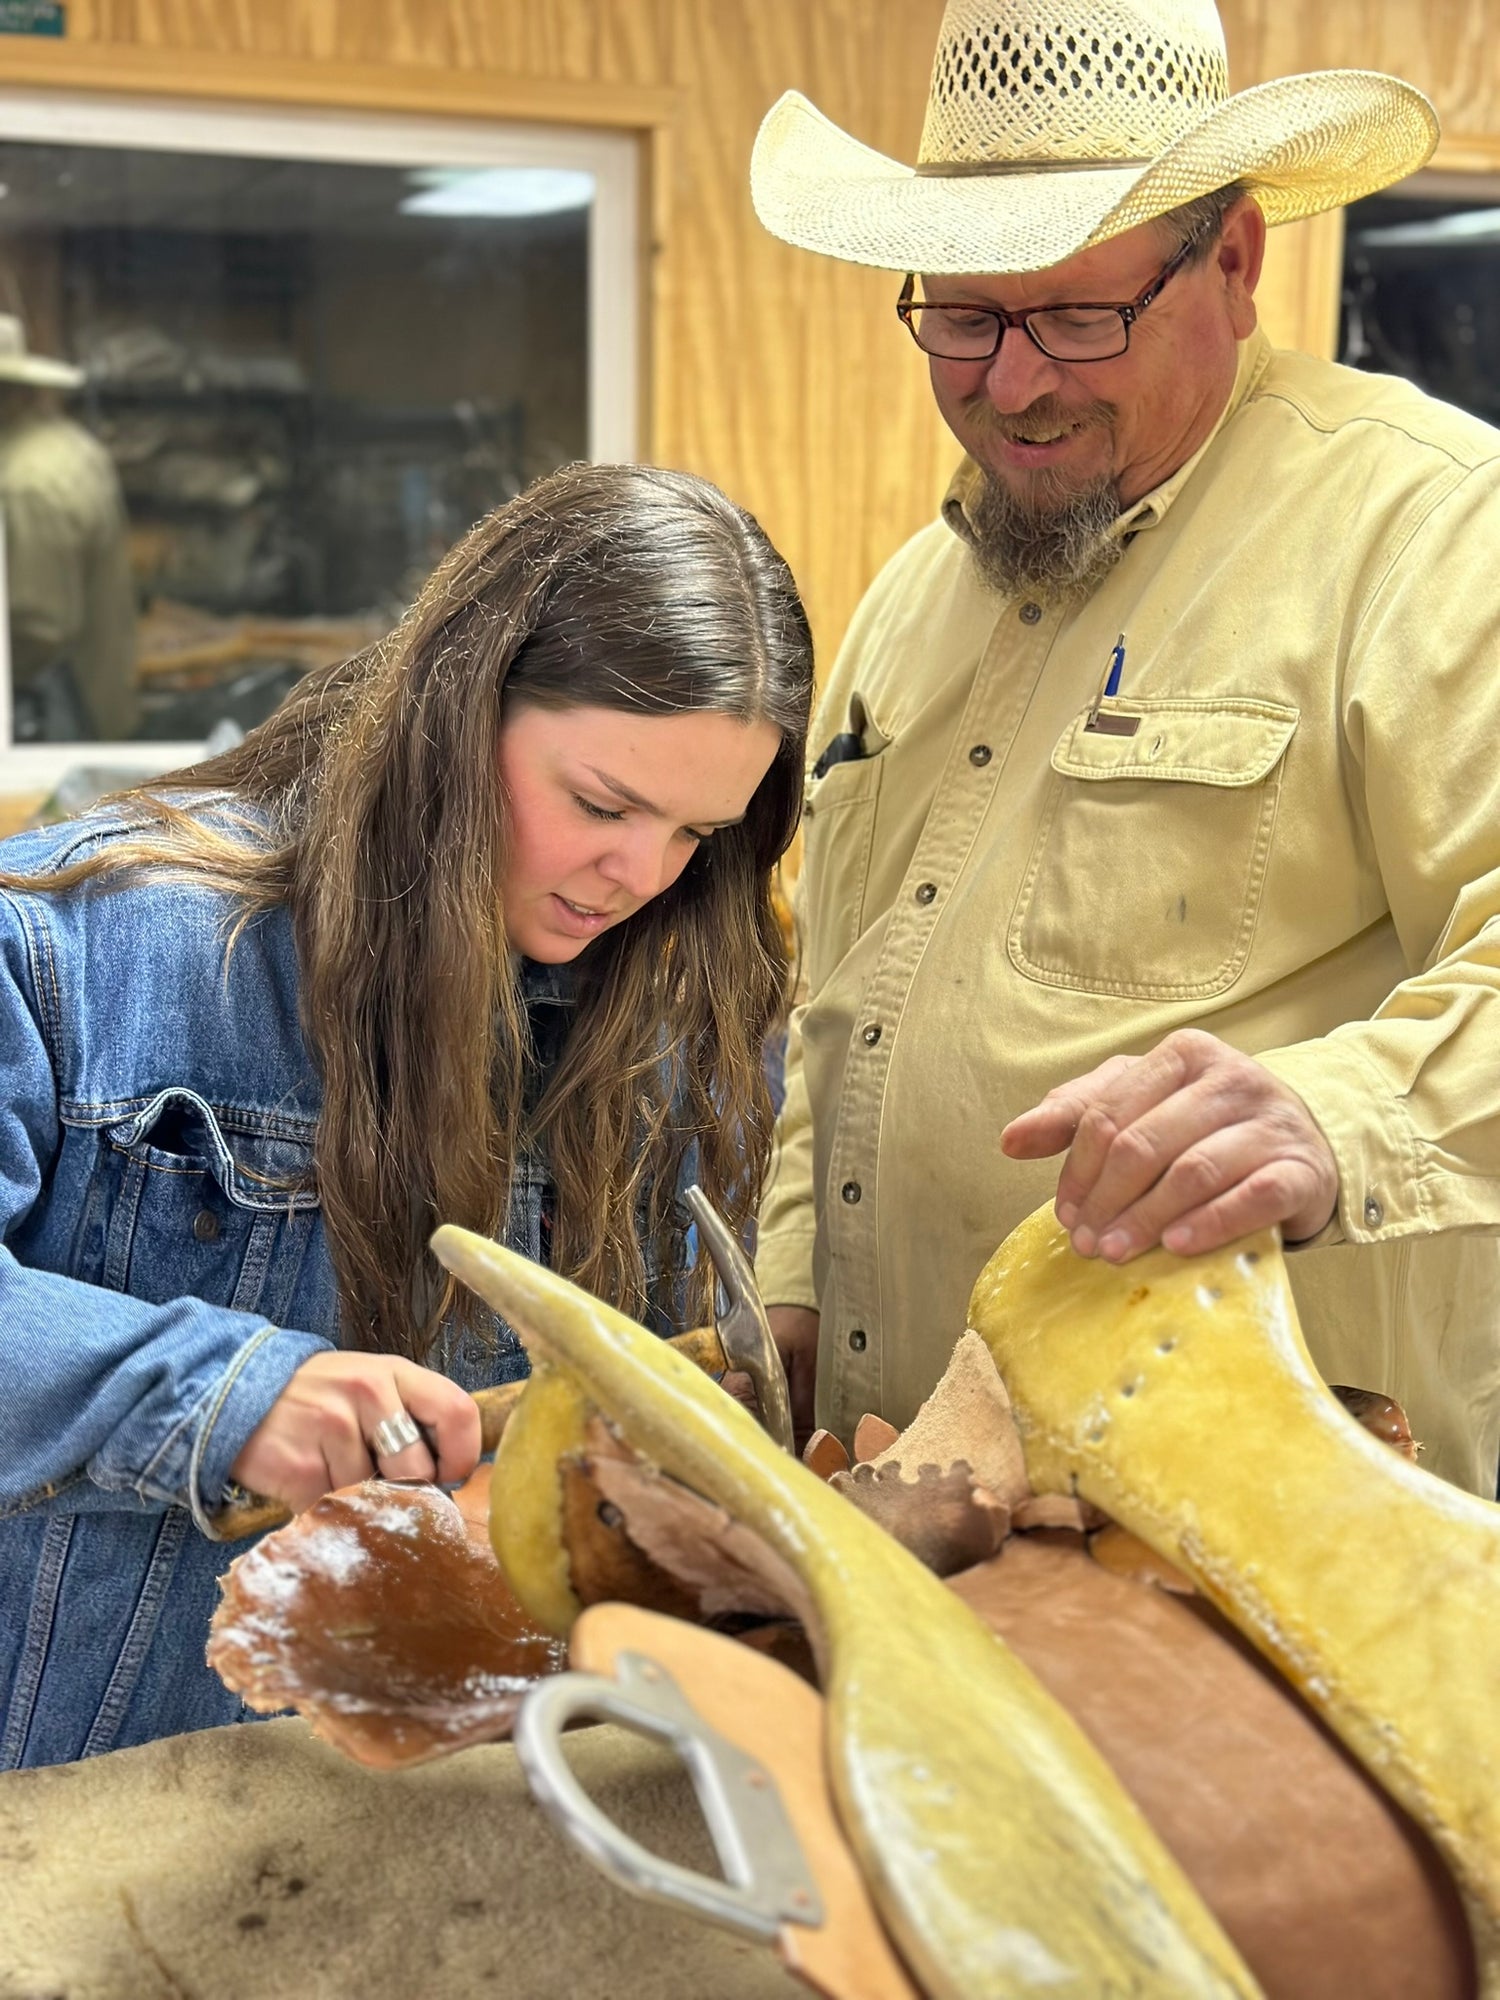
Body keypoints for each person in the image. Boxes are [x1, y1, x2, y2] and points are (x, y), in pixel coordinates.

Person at [748, 0, 1500, 1497]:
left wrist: (1338, 1111)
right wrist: (790, 1292)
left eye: (1082, 317)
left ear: (1233, 260)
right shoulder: (912, 597)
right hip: (905, 1494)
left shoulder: (1438, 532)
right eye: (963, 317)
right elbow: (846, 1010)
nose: (1015, 385)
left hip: (1264, 1522)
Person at [0, 460, 814, 1768]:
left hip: (453, 1847)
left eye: (695, 835)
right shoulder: (81, 946)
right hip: (91, 1820)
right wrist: (223, 1392)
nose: (640, 876)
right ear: (454, 715)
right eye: (602, 805)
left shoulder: (679, 1029)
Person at [0, 315, 138, 741]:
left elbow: (37, 631)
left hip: (58, 725)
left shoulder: (24, 484)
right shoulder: (67, 445)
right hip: (98, 700)